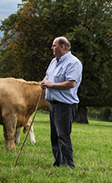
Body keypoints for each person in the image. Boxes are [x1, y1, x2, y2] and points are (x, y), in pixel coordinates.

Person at [40, 36, 83, 169]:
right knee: (54, 136)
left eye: (54, 45)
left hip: (65, 105)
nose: (52, 48)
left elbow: (71, 83)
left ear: (62, 47)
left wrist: (51, 84)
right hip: (53, 104)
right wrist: (44, 82)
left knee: (63, 136)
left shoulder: (73, 63)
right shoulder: (54, 61)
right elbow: (48, 76)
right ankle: (58, 163)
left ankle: (69, 165)